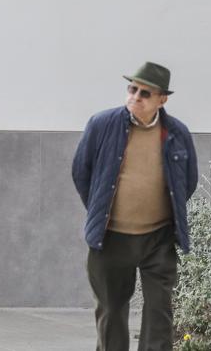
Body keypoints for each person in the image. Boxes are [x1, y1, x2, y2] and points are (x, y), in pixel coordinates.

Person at [72, 62, 198, 351]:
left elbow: (186, 182)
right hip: (110, 238)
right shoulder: (101, 125)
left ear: (161, 99)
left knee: (160, 314)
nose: (135, 97)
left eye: (145, 93)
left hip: (158, 239)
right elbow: (82, 171)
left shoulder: (178, 133)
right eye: (132, 89)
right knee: (111, 312)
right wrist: (100, 211)